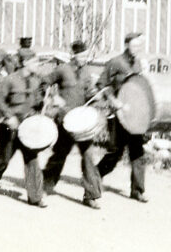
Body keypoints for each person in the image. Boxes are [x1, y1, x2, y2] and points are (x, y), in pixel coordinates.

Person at [41, 40, 102, 209]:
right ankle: (45, 185)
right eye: (81, 56)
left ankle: (91, 195)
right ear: (73, 55)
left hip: (81, 122)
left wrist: (95, 96)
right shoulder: (62, 70)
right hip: (64, 120)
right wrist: (53, 97)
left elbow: (89, 90)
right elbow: (44, 82)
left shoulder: (86, 72)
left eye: (85, 56)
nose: (84, 59)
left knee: (88, 155)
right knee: (60, 154)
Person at [0, 47, 47, 208]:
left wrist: (46, 102)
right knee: (4, 158)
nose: (37, 65)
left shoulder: (35, 81)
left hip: (28, 126)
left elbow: (38, 101)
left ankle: (36, 197)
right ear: (25, 63)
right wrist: (9, 116)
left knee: (32, 159)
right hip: (10, 125)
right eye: (35, 62)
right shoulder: (10, 79)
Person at [96, 32, 149, 203]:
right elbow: (101, 84)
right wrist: (112, 100)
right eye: (134, 46)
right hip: (118, 116)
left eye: (139, 46)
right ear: (126, 45)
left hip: (134, 116)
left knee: (138, 153)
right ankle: (95, 175)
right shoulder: (115, 62)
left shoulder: (139, 64)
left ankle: (138, 190)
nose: (137, 49)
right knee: (115, 153)